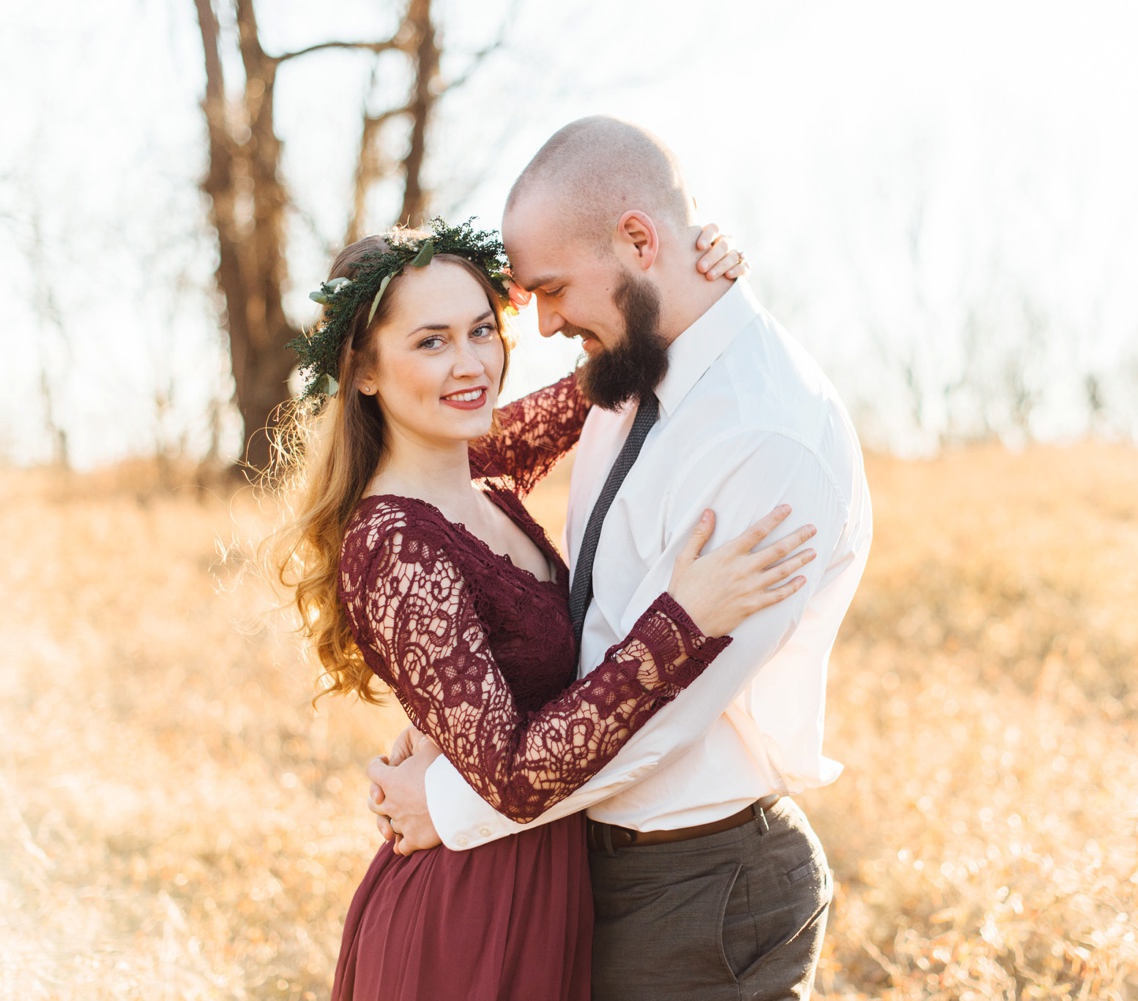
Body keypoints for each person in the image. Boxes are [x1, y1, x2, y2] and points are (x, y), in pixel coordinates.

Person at [369, 118, 873, 1000]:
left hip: (692, 881)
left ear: (639, 239)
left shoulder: (763, 439)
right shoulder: (628, 368)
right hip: (567, 860)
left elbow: (670, 715)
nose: (546, 322)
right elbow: (428, 470)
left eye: (554, 290)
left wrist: (448, 805)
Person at [268, 217, 819, 1001]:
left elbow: (609, 372)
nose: (471, 366)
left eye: (482, 330)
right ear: (363, 370)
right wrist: (678, 624)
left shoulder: (475, 471)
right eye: (431, 342)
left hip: (544, 887)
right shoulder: (396, 543)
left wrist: (693, 280)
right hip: (468, 914)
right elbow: (514, 775)